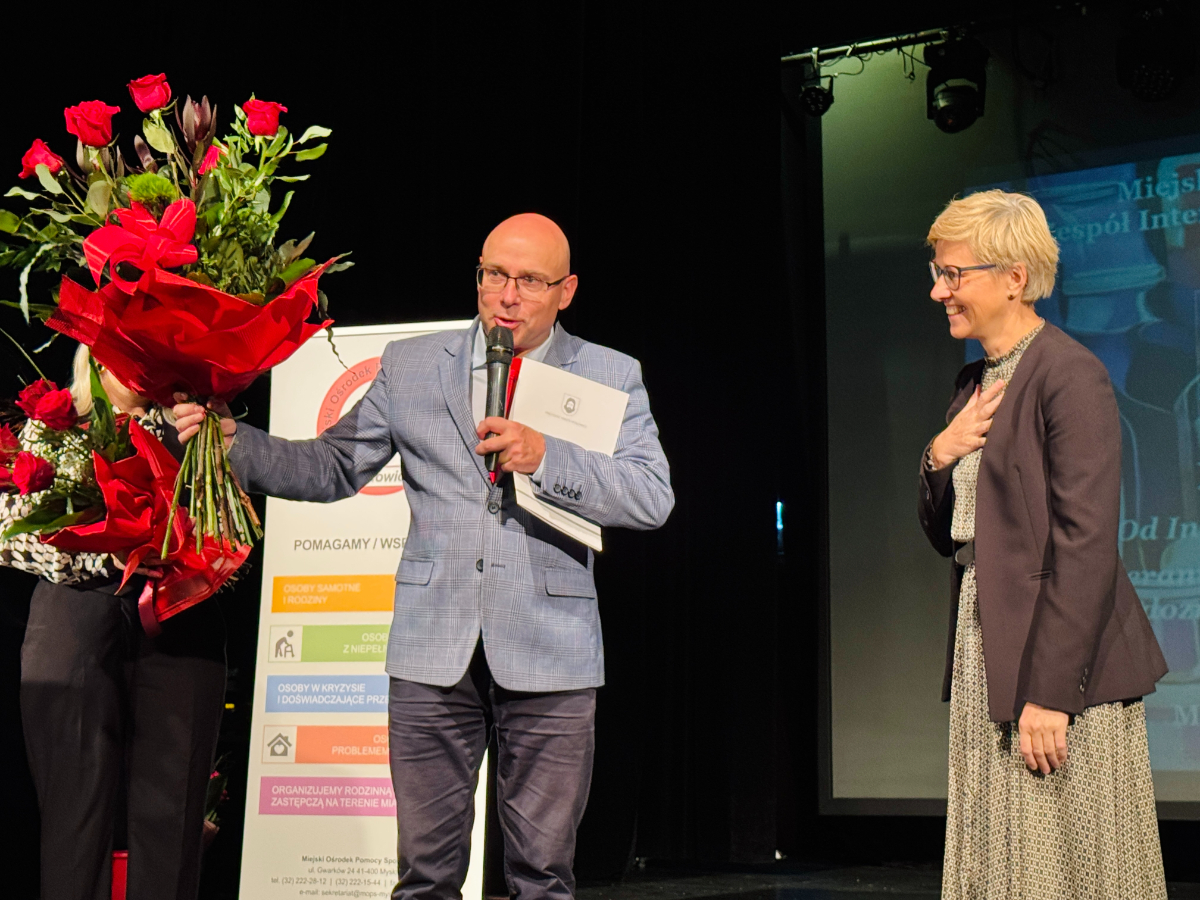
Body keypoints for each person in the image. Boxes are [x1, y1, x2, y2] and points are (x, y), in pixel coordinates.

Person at [175, 213, 674, 899]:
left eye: (531, 281)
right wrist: (235, 442)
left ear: (567, 290)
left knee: (542, 877)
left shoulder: (609, 374)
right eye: (494, 275)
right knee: (425, 876)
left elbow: (651, 497)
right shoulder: (411, 364)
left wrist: (546, 455)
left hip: (552, 651)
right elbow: (333, 466)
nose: (507, 296)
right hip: (431, 649)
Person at [918, 190, 1168, 899]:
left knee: (1058, 863)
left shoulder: (1067, 373)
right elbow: (948, 534)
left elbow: (1086, 544)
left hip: (1058, 662)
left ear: (1014, 277)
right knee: (1004, 860)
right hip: (988, 644)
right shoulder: (975, 383)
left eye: (953, 274)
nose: (939, 291)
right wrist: (938, 455)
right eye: (938, 273)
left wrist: (1052, 695)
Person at [3, 346, 226, 900]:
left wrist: (186, 541)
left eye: (145, 350)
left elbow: (231, 528)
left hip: (178, 615)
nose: (136, 365)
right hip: (75, 614)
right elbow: (10, 535)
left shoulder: (194, 426)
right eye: (123, 349)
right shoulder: (53, 426)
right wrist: (107, 552)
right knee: (75, 816)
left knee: (171, 815)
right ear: (95, 360)